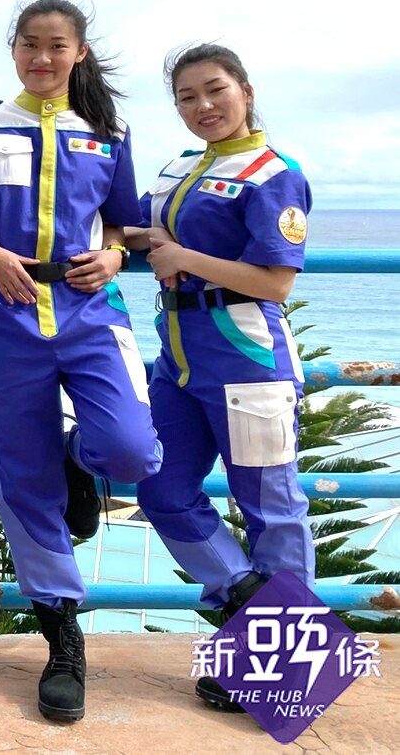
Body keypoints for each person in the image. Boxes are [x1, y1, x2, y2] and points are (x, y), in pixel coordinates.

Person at [0, 0, 162, 723]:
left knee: (133, 447)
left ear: (78, 53)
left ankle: (83, 459)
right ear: (13, 49)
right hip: (7, 315)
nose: (42, 57)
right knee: (22, 477)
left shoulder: (109, 130)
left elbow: (130, 223)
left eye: (57, 46)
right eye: (30, 45)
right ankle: (62, 633)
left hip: (91, 311)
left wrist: (115, 252)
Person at [125, 43, 313, 714]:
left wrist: (183, 257)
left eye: (215, 90)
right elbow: (139, 235)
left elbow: (276, 281)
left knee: (271, 511)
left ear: (245, 90)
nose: (202, 107)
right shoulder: (178, 168)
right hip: (177, 363)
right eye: (186, 97)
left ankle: (286, 677)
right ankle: (249, 603)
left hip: (247, 359)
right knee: (162, 489)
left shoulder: (272, 172)